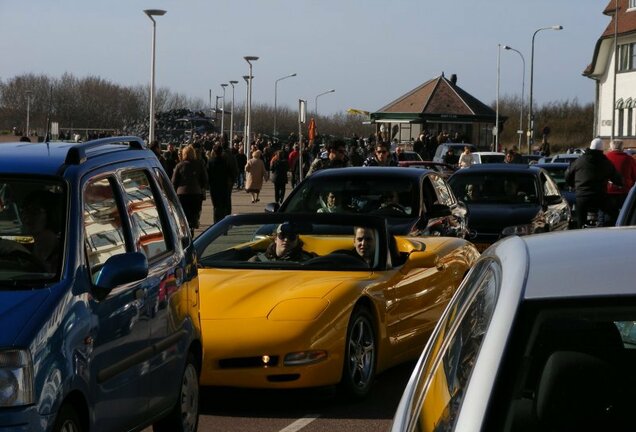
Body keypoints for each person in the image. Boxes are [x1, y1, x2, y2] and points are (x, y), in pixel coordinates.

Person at [566, 138, 622, 228]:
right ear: (601, 150)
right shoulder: (605, 162)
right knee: (615, 214)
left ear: (590, 147)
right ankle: (610, 231)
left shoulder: (579, 161)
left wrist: (574, 186)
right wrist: (620, 183)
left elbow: (568, 175)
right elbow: (616, 177)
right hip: (599, 196)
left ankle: (580, 230)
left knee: (580, 222)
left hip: (582, 196)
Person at [172, 144, 208, 235]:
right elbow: (204, 179)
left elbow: (174, 181)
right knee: (194, 212)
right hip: (196, 193)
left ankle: (185, 229)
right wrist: (200, 187)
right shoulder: (199, 164)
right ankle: (193, 224)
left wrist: (174, 191)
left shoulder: (179, 166)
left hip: (182, 194)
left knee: (183, 213)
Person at [21, 192, 61, 273]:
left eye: (34, 211)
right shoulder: (38, 238)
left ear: (50, 215)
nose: (26, 216)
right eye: (24, 210)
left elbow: (32, 271)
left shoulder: (47, 239)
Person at [604, 139, 636, 225]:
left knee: (609, 217)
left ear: (611, 147)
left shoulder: (605, 158)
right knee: (626, 216)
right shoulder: (629, 159)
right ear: (622, 148)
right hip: (625, 191)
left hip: (608, 191)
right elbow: (634, 176)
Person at [249, 223, 315, 262]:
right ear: (275, 238)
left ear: (297, 240)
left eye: (291, 236)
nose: (286, 240)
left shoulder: (308, 262)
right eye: (282, 235)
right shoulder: (257, 261)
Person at [207, 143, 235, 224]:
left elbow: (207, 174)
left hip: (214, 187)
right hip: (224, 186)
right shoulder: (225, 161)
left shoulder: (210, 161)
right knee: (223, 206)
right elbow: (231, 173)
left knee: (216, 207)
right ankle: (223, 224)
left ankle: (216, 223)